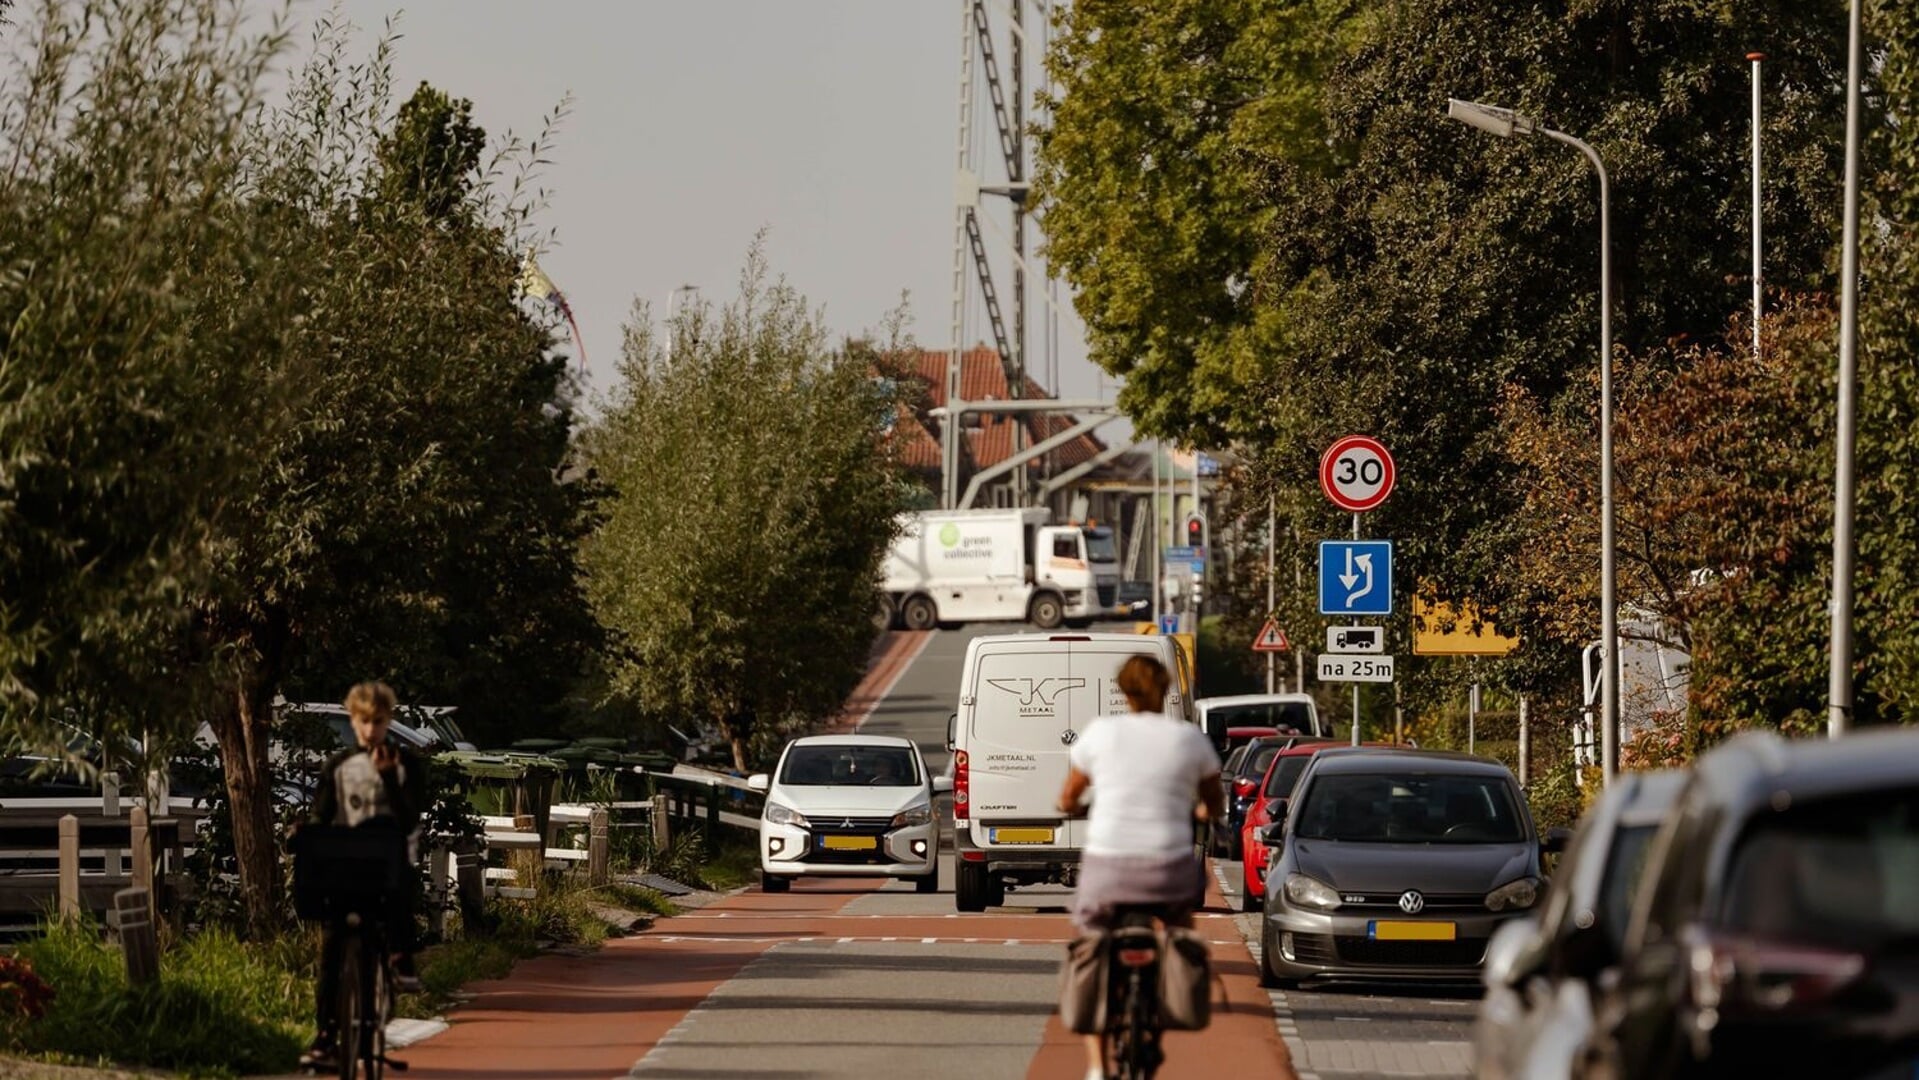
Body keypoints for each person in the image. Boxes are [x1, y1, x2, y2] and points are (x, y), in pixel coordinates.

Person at [1056, 655, 1224, 1080]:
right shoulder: (1187, 738)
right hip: (1169, 867)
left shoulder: (1101, 734)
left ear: (1122, 691)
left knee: (1091, 943)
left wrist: (1070, 806)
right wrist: (1204, 809)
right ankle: (1171, 984)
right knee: (1179, 927)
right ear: (1166, 688)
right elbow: (1214, 799)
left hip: (1108, 866)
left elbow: (1069, 795)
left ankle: (1096, 1066)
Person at [301, 681, 429, 1071]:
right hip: (345, 864)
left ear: (388, 720)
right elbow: (321, 815)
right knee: (332, 950)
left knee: (400, 892)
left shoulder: (405, 764)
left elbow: (409, 820)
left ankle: (401, 956)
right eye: (363, 721)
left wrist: (389, 778)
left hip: (388, 863)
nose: (371, 729)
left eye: (378, 721)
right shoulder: (339, 765)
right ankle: (326, 1034)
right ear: (353, 720)